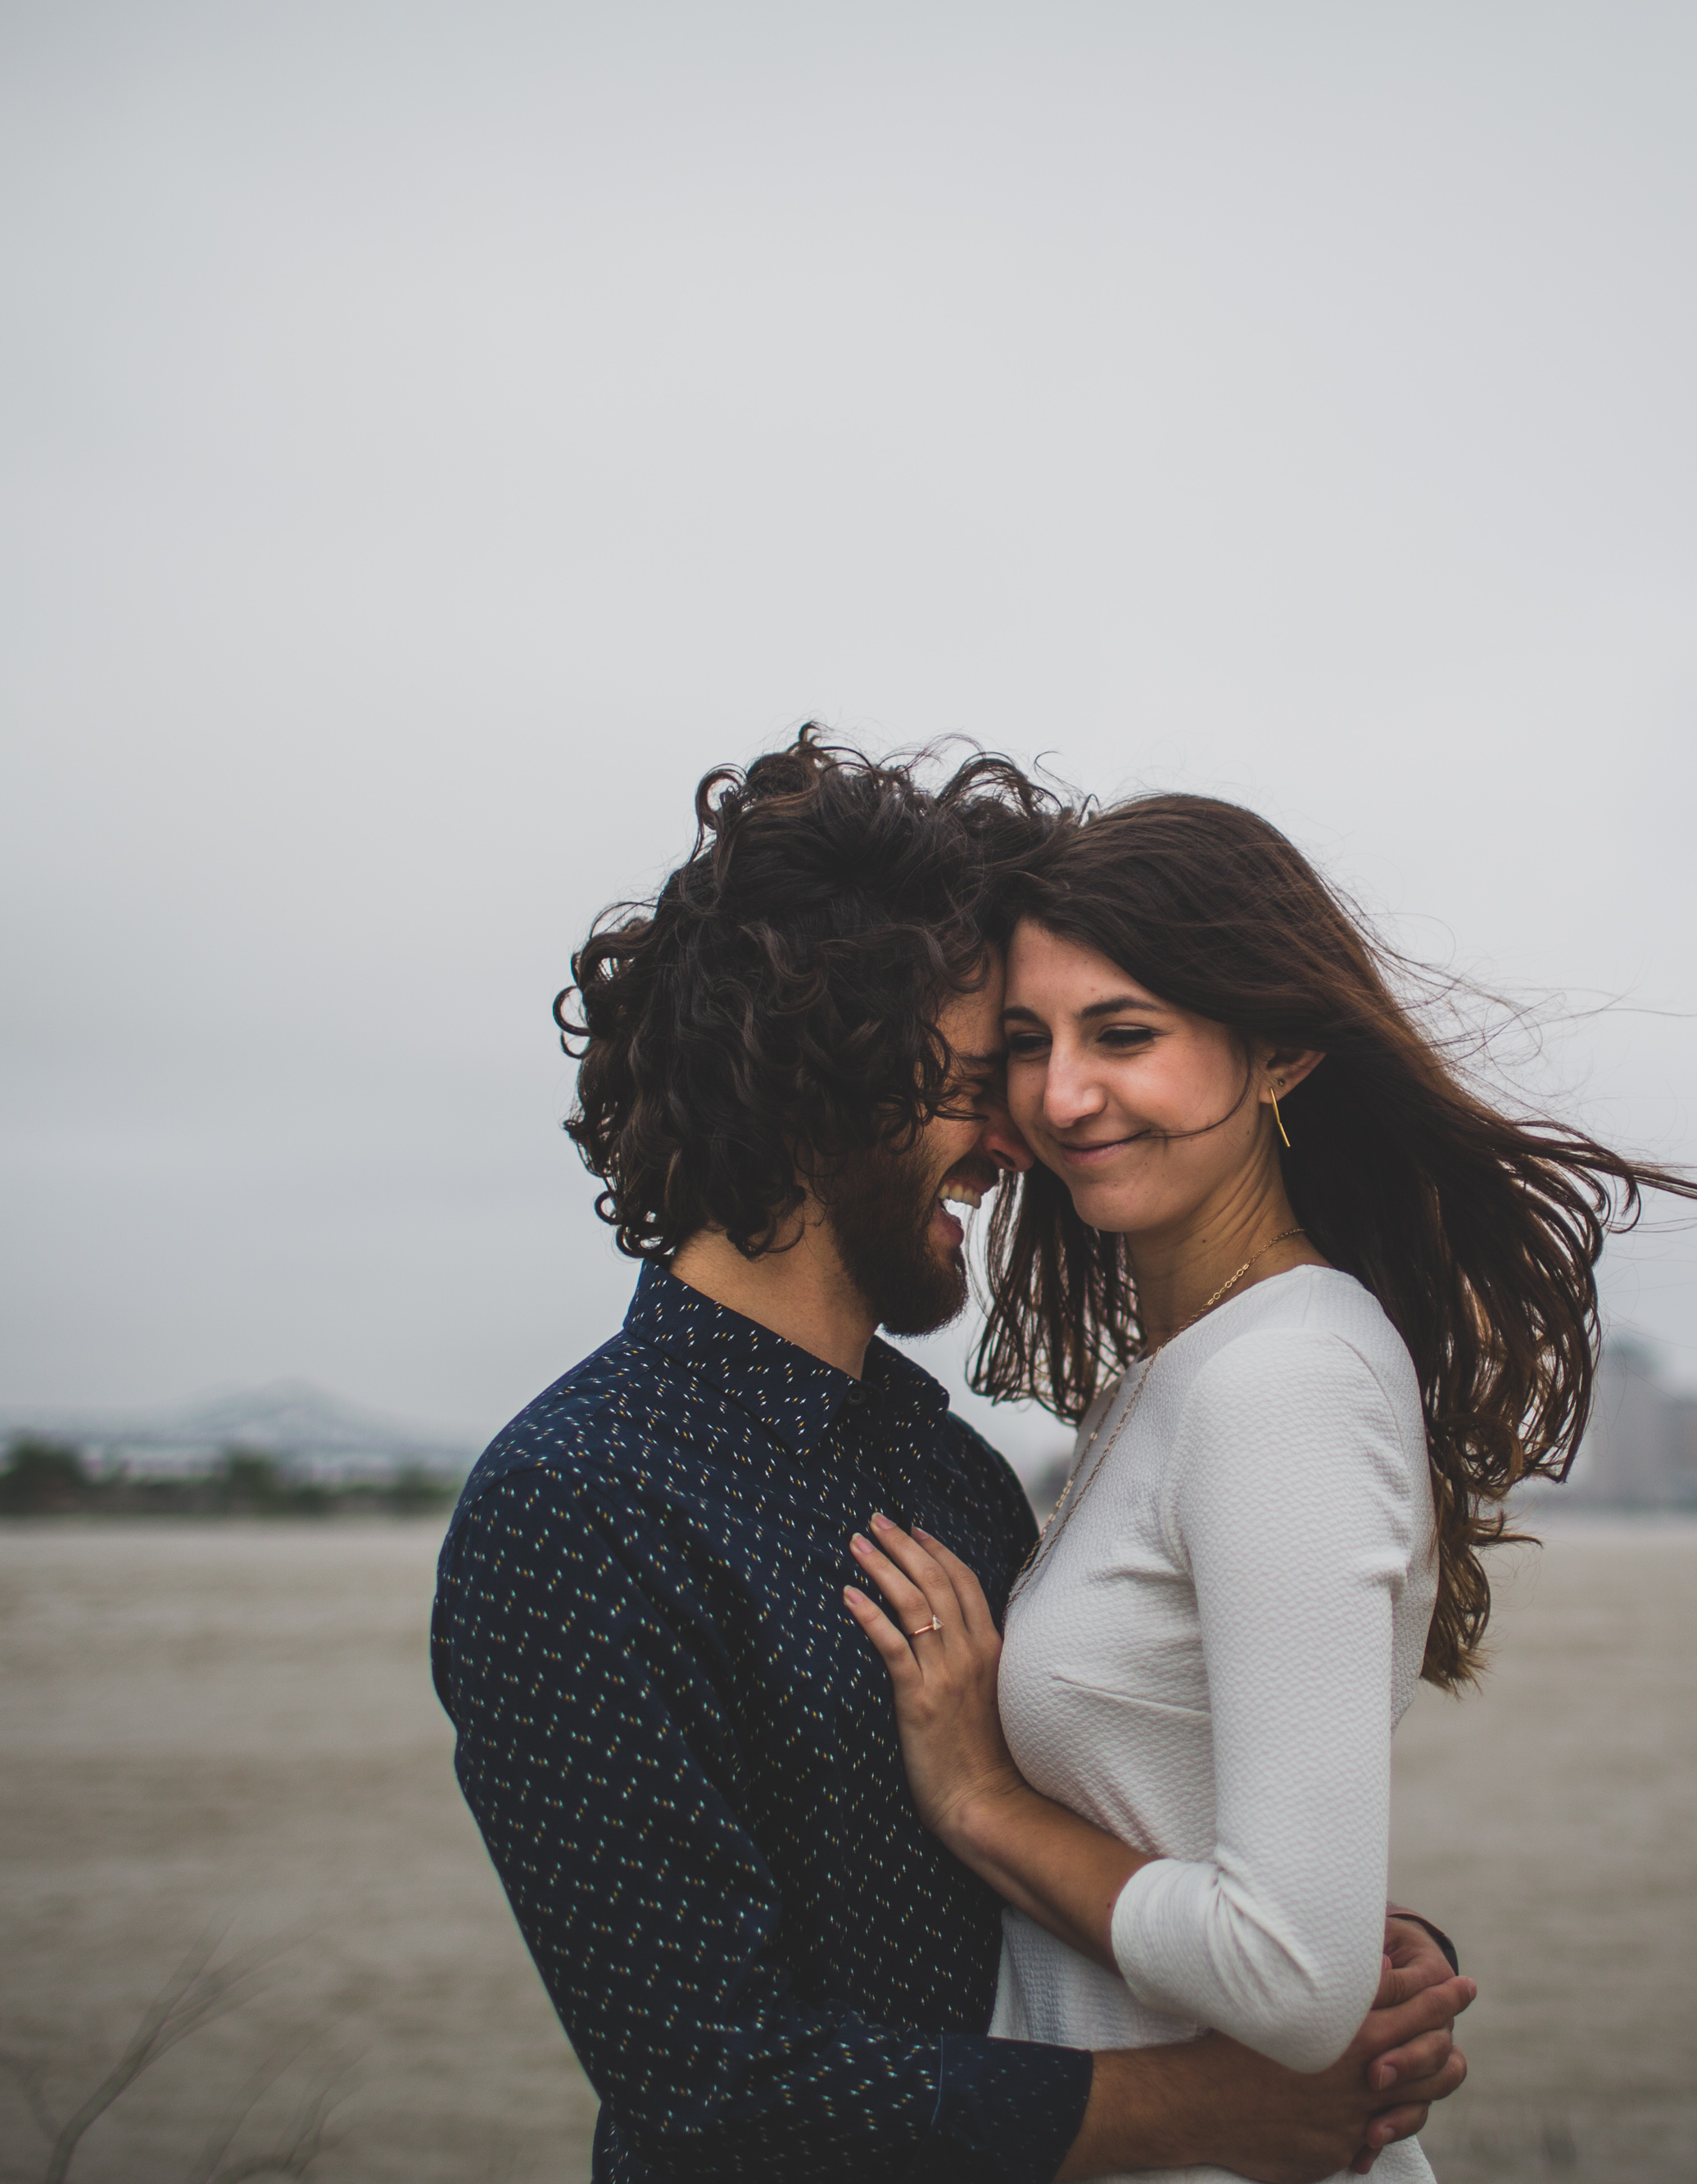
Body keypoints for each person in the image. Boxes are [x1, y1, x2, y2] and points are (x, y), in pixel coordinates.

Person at [430, 735, 1475, 2184]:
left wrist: (1345, 1949)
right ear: (819, 1073)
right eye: (989, 1072)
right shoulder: (582, 1508)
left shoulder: (949, 1471)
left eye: (1088, 1045)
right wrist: (1217, 2104)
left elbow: (1079, 1834)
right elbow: (709, 2082)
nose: (1022, 1130)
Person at [838, 793, 1697, 2182]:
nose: (1060, 1097)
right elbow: (1265, 1889)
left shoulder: (1280, 1380)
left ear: (1281, 1048)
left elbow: (1291, 1978)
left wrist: (984, 1802)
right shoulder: (1175, 1378)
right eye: (1027, 1046)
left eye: (1125, 1035)